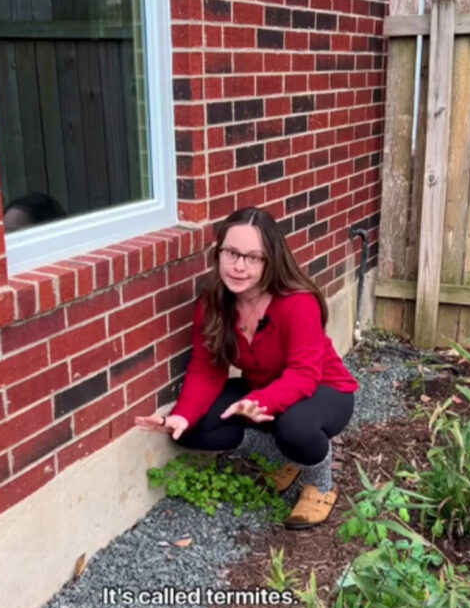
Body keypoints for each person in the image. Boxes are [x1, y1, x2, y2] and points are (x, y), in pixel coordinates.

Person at [135, 207, 359, 528]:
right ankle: (285, 458)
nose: (239, 266)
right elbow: (206, 369)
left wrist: (261, 402)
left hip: (324, 390)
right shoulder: (213, 303)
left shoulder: (298, 302)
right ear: (219, 253)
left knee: (293, 428)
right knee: (194, 428)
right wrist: (181, 415)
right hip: (264, 390)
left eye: (253, 257)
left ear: (271, 260)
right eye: (232, 253)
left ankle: (319, 482)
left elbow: (303, 375)